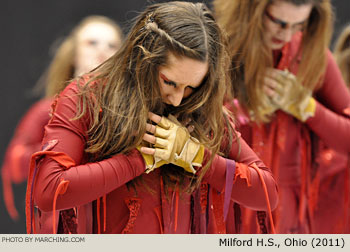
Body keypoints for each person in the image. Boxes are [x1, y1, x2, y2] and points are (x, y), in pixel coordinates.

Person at [25, 1, 278, 234]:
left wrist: (196, 156)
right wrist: (139, 159)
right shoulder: (86, 97)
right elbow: (48, 191)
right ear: (142, 58)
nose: (178, 99)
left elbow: (267, 193)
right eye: (169, 81)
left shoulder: (202, 109)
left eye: (192, 87)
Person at [214, 0, 350, 233]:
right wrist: (240, 111)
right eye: (278, 22)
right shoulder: (218, 49)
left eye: (299, 25)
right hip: (228, 209)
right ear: (253, 10)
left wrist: (306, 107)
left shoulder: (312, 55)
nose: (286, 35)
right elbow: (190, 133)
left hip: (290, 218)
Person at [1, 15, 123, 222]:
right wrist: (60, 151)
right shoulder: (47, 109)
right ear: (74, 53)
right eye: (92, 42)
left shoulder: (127, 113)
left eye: (112, 45)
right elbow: (15, 162)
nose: (102, 50)